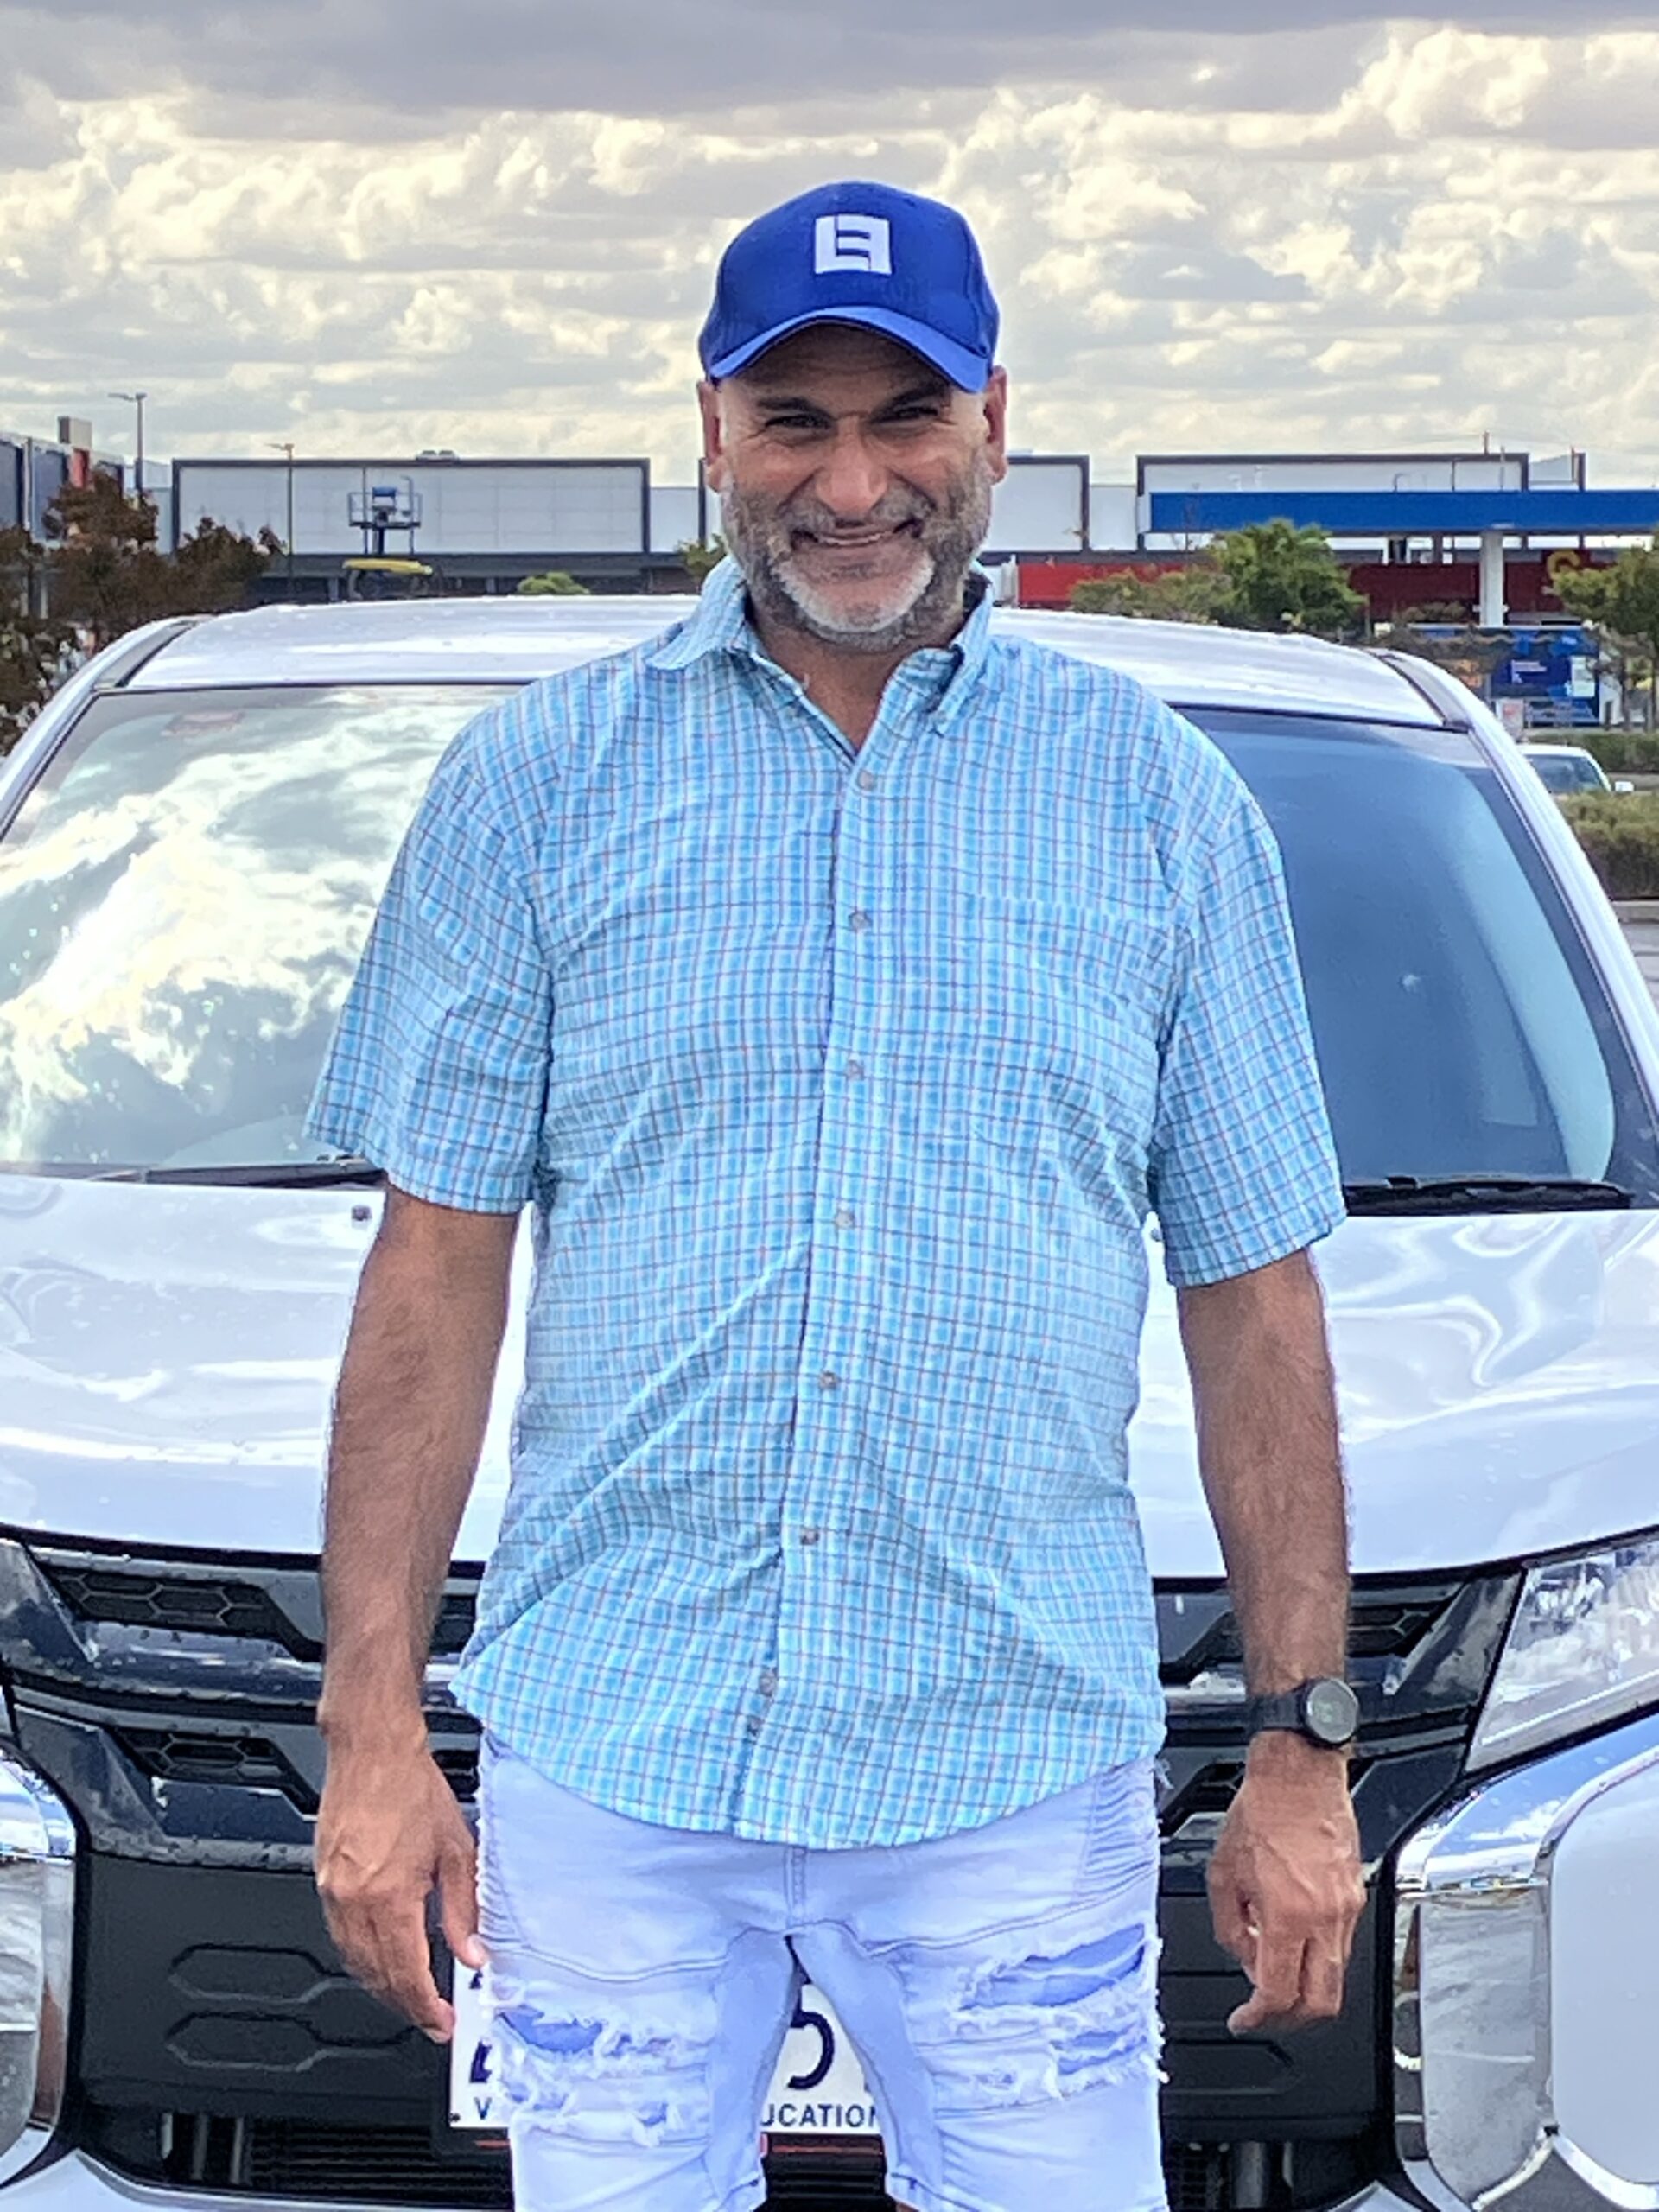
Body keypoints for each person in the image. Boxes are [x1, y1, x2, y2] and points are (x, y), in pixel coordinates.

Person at [306, 179, 1364, 2212]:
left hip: (1010, 1773)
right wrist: (372, 1729)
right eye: (795, 419)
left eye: (907, 417)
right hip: (614, 1755)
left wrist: (1301, 1746)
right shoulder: (537, 787)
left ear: (995, 422)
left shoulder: (1158, 804)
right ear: (712, 425)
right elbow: (433, 1274)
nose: (854, 484)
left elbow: (1257, 1299)